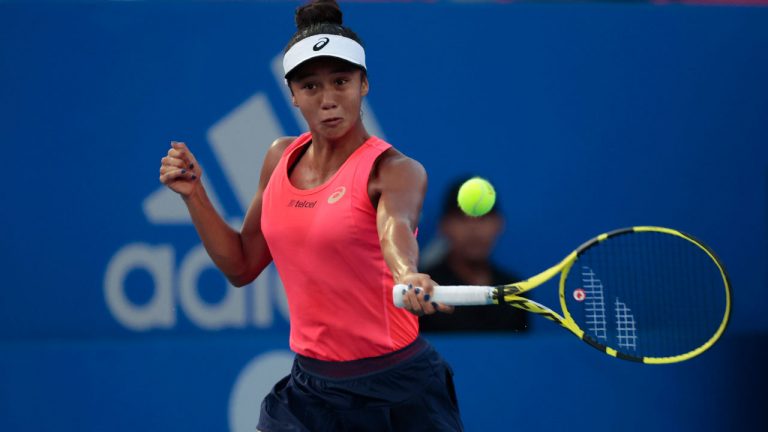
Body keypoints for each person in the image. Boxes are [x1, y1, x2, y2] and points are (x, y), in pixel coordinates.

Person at [158, 1, 463, 430]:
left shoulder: (395, 170)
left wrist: (407, 274)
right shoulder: (279, 158)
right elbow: (242, 265)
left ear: (364, 84)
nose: (329, 100)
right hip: (310, 391)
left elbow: (395, 226)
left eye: (341, 82)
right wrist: (195, 196)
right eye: (311, 86)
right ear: (293, 94)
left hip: (398, 390)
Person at [419, 178, 529, 333]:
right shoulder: (424, 290)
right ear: (444, 226)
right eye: (462, 218)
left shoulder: (515, 289)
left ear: (499, 224)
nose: (474, 229)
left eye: (483, 217)